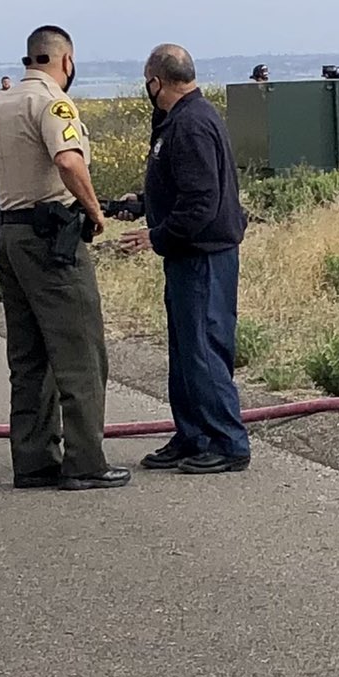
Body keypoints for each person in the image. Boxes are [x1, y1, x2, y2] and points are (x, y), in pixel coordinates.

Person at [0, 26, 128, 491]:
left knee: (29, 355)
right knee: (80, 351)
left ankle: (34, 459)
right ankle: (84, 461)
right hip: (50, 238)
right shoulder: (53, 103)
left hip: (10, 235)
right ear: (67, 61)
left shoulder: (0, 104)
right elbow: (67, 160)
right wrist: (95, 211)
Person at [120, 44, 250, 474]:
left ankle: (227, 442)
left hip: (203, 257)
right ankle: (192, 434)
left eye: (147, 81)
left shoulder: (192, 124)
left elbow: (201, 202)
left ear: (156, 80)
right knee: (185, 349)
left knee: (203, 348)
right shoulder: (179, 121)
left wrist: (156, 235)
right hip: (186, 255)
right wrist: (142, 204)